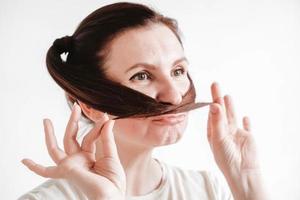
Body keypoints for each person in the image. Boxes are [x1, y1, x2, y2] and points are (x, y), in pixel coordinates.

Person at [19, 2, 268, 200]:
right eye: (142, 76)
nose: (174, 96)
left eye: (178, 71)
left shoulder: (207, 190)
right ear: (90, 104)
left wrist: (246, 181)